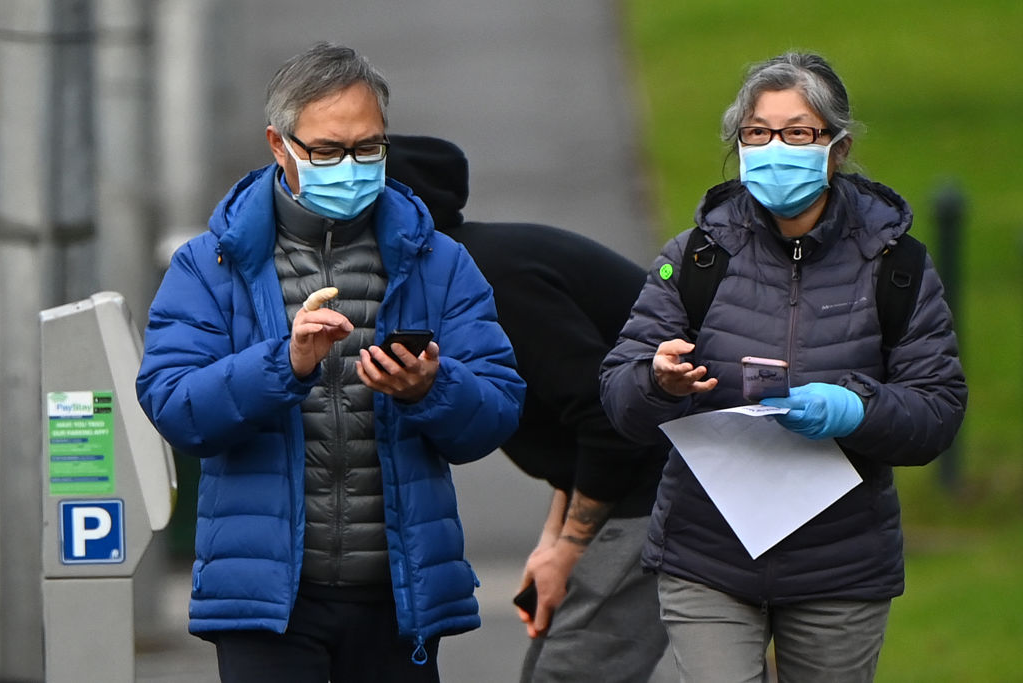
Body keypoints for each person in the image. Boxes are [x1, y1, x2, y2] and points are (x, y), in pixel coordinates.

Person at [135, 43, 525, 683]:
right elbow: (175, 408)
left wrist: (430, 386)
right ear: (278, 145)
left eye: (368, 148)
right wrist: (283, 365)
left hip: (398, 600)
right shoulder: (210, 264)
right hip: (266, 605)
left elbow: (497, 412)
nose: (350, 167)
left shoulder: (439, 261)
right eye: (327, 150)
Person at [599, 52, 967, 683]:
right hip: (707, 554)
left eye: (798, 132)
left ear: (838, 147)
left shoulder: (895, 264)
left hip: (839, 566)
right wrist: (658, 381)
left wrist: (854, 407)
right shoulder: (694, 258)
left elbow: (936, 410)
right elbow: (618, 395)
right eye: (757, 133)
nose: (775, 148)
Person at [386, 134, 670, 682]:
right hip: (642, 473)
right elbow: (577, 429)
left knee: (570, 673)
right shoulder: (462, 273)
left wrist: (568, 550)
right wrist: (551, 544)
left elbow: (612, 420)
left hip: (681, 476)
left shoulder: (493, 282)